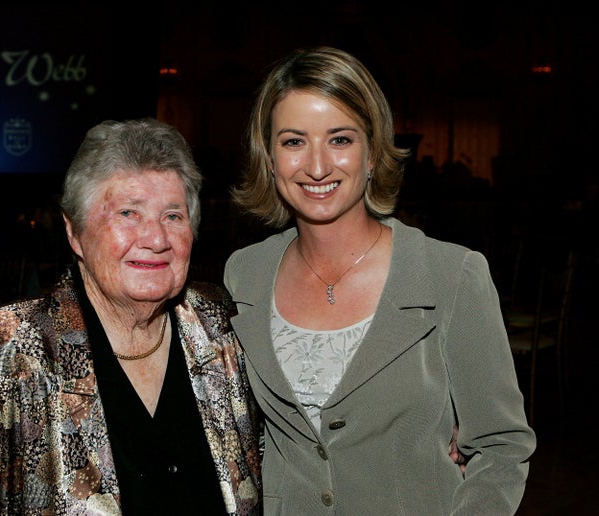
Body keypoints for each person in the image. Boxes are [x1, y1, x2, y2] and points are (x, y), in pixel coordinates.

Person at [223, 46, 536, 514]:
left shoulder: (450, 276)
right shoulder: (243, 274)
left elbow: (501, 446)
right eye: (293, 142)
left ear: (373, 152)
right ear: (269, 158)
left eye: (340, 139)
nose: (317, 166)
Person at [0, 118, 262, 515]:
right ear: (74, 233)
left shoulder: (219, 325)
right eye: (128, 213)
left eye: (173, 215)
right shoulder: (0, 351)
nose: (156, 238)